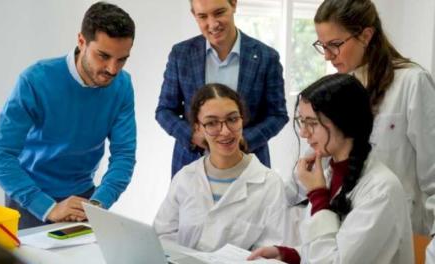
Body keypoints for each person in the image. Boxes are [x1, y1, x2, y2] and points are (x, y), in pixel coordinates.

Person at [0, 2, 136, 229]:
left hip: (85, 200)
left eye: (122, 59)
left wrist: (99, 203)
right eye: (103, 56)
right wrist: (48, 207)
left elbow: (124, 156)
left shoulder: (122, 85)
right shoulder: (35, 80)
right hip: (30, 201)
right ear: (81, 41)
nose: (112, 69)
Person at [249, 74, 413, 263]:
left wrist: (318, 195)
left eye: (312, 123)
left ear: (345, 122)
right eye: (302, 122)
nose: (303, 133)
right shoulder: (329, 173)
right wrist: (290, 254)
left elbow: (335, 260)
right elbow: (325, 245)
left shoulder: (381, 190)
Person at [310, 0, 435, 236]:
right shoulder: (340, 87)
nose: (327, 56)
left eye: (335, 45)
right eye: (322, 45)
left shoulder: (412, 82)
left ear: (366, 36)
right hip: (348, 228)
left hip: (401, 229)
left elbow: (434, 174)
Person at [155, 0, 288, 176]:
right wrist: (192, 136)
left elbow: (277, 115)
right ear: (194, 14)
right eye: (203, 16)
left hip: (249, 166)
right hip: (191, 165)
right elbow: (164, 111)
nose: (212, 24)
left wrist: (243, 140)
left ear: (233, 4)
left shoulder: (266, 57)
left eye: (219, 13)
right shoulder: (181, 54)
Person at [154, 83, 290, 251]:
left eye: (232, 119)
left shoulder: (270, 184)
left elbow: (272, 252)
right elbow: (162, 237)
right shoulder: (185, 178)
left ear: (242, 120)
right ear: (198, 127)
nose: (225, 131)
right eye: (212, 123)